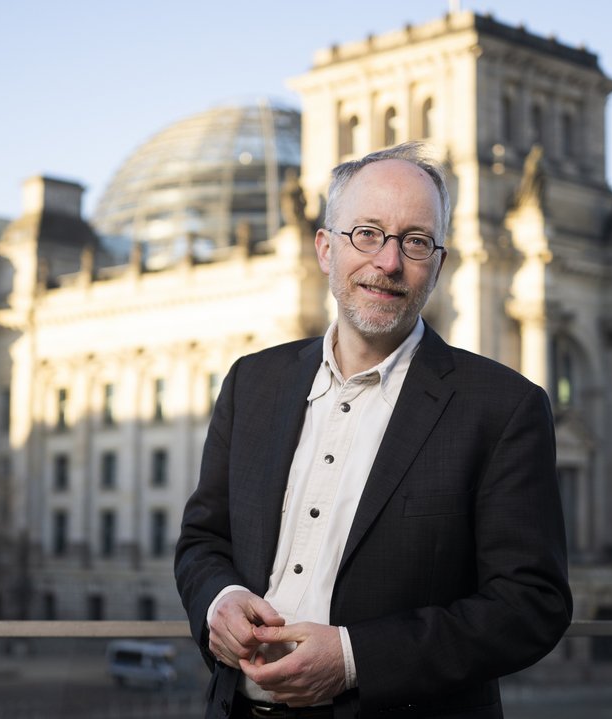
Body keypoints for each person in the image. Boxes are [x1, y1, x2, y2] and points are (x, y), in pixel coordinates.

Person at [175, 142, 572, 719]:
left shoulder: (504, 409)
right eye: (366, 233)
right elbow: (202, 542)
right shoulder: (251, 383)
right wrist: (221, 600)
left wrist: (356, 657)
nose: (388, 263)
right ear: (325, 248)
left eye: (414, 241)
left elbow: (531, 604)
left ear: (437, 263)